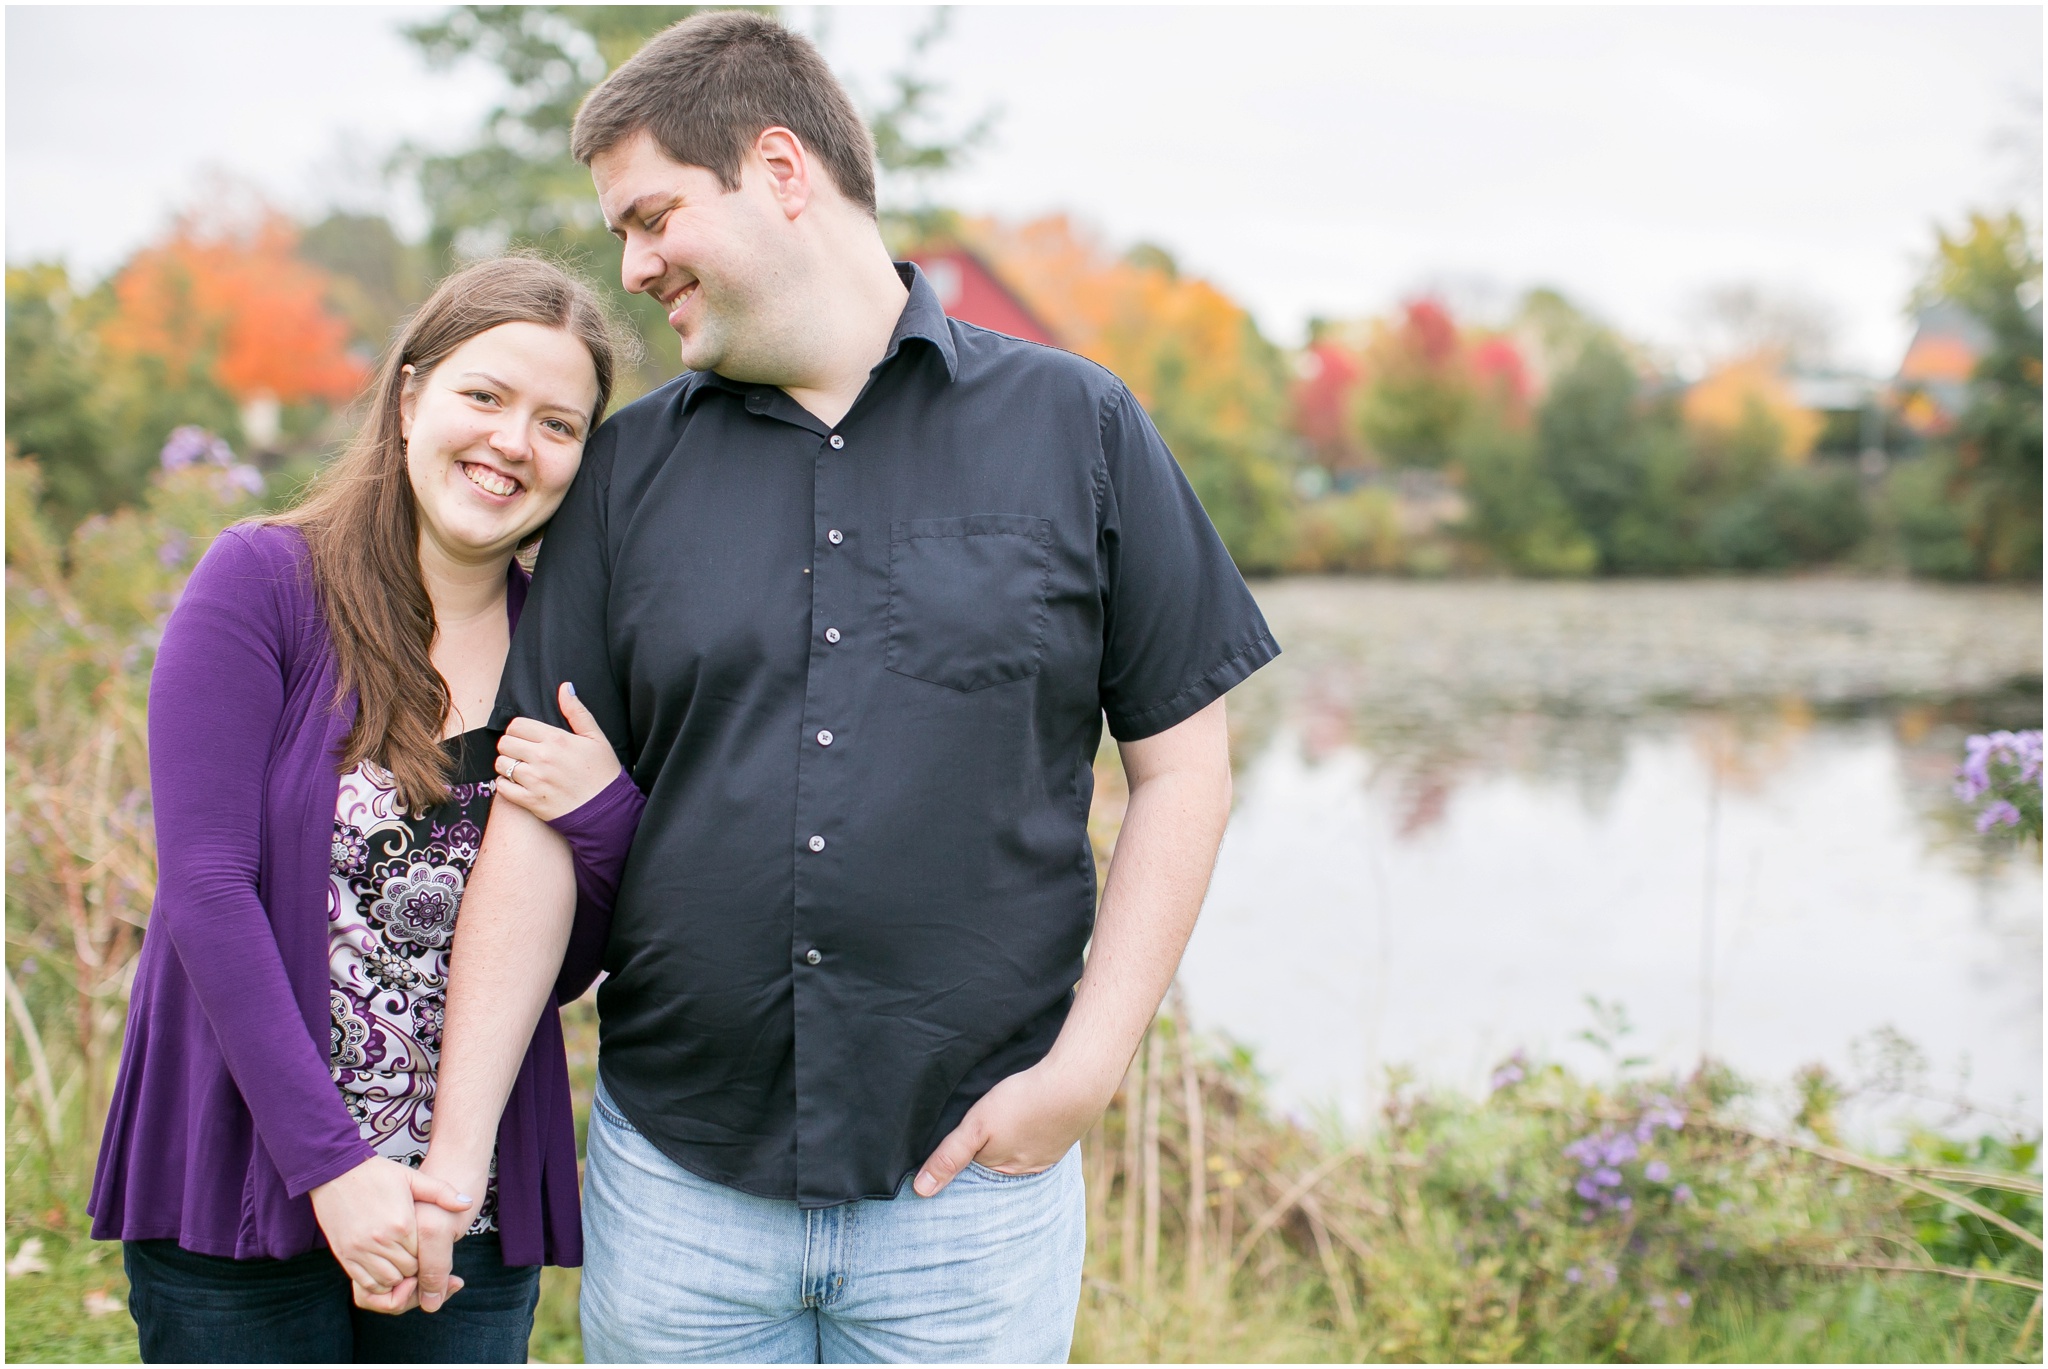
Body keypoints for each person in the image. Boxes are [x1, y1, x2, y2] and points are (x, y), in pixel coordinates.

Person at [412, 12, 1279, 1362]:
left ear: (776, 168)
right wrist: (455, 1158)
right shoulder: (627, 477)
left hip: (973, 1194)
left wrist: (1086, 1072)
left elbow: (1185, 766)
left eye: (650, 217)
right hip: (680, 1187)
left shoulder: (1080, 428)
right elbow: (530, 822)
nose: (632, 268)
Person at [88, 255, 647, 1363]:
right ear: (408, 400)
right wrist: (334, 1170)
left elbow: (567, 967)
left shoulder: (572, 658)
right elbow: (206, 889)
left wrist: (607, 818)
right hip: (248, 1183)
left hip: (461, 1213)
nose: (510, 443)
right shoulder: (264, 583)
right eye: (483, 397)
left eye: (557, 423)